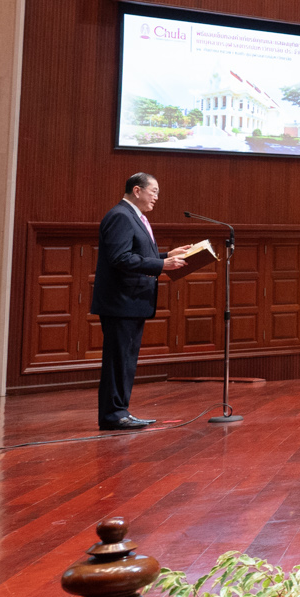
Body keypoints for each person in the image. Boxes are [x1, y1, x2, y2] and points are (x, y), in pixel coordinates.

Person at [92, 173, 189, 430]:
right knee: (118, 361)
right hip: (120, 302)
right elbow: (120, 258)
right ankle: (113, 415)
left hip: (131, 302)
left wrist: (167, 255)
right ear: (137, 190)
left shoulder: (134, 217)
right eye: (154, 191)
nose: (157, 197)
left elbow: (137, 254)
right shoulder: (121, 216)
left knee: (125, 361)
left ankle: (120, 411)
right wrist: (162, 265)